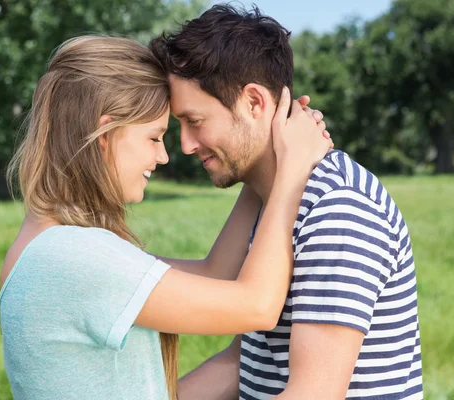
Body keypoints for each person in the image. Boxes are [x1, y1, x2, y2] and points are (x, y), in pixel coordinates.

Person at [0, 35, 333, 400]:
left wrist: (259, 154)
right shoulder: (74, 257)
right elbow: (257, 305)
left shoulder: (48, 248)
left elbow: (214, 273)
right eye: (154, 138)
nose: (163, 156)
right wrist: (292, 168)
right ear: (105, 135)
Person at [150, 4, 423, 400]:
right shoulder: (275, 199)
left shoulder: (337, 208)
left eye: (194, 121)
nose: (186, 145)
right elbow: (242, 363)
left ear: (254, 103)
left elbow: (313, 393)